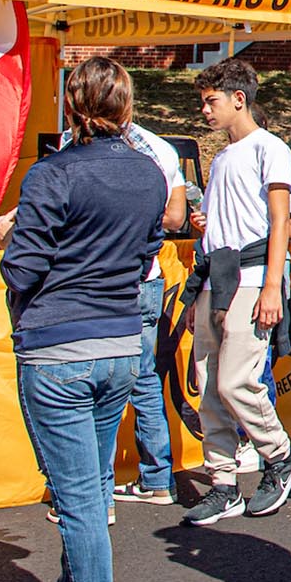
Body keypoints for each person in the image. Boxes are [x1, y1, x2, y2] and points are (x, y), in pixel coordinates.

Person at [0, 57, 168, 582]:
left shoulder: (53, 174)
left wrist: (6, 246)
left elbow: (24, 267)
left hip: (60, 348)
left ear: (74, 108)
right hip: (119, 344)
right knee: (90, 486)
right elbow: (150, 244)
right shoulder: (149, 173)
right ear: (125, 108)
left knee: (78, 498)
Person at [182, 59, 291, 526]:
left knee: (236, 380)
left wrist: (273, 285)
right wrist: (198, 295)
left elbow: (280, 222)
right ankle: (223, 482)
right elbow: (219, 232)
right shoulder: (220, 159)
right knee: (211, 388)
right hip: (216, 278)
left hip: (251, 278)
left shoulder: (269, 147)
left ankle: (279, 455)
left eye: (211, 101)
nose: (205, 111)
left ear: (239, 99)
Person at [110, 122, 188, 507]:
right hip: (147, 274)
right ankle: (158, 477)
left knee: (100, 389)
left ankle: (96, 491)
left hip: (114, 281)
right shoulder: (161, 151)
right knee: (142, 381)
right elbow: (175, 217)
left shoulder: (83, 146)